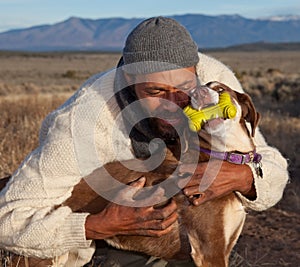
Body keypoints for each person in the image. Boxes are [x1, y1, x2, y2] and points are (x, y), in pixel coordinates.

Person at [0, 17, 288, 266]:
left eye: (185, 88)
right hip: (95, 228)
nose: (174, 104)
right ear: (128, 79)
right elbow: (8, 222)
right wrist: (100, 224)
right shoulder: (83, 122)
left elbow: (269, 166)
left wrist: (244, 176)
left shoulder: (212, 81)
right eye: (156, 91)